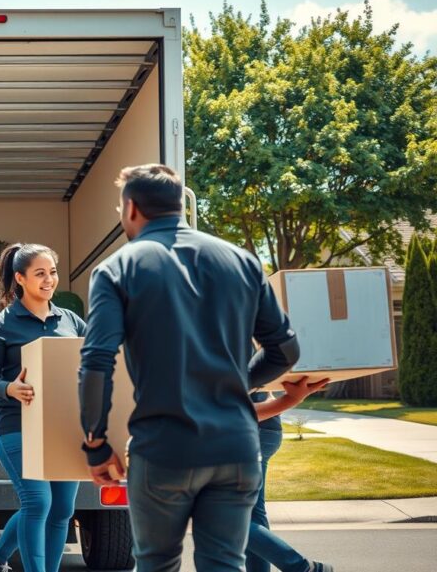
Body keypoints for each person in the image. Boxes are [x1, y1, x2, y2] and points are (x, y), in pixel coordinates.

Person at [78, 164, 301, 572]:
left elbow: (96, 361)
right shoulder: (242, 261)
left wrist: (95, 443)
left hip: (164, 447)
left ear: (131, 208)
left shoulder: (117, 268)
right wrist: (234, 383)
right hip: (236, 447)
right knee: (225, 564)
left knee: (157, 564)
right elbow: (285, 351)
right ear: (179, 206)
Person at [0, 243, 86, 572]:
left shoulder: (71, 321)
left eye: (52, 272)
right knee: (38, 502)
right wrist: (9, 388)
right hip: (17, 426)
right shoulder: (1, 325)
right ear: (20, 278)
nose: (49, 279)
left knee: (62, 509)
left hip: (63, 427)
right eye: (40, 273)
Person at [248, 377, 334, 572]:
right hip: (262, 430)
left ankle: (302, 568)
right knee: (250, 515)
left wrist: (289, 400)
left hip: (247, 433)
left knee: (218, 515)